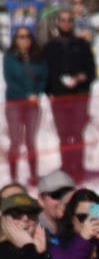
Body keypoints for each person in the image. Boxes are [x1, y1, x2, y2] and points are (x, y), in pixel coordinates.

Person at [43, 9, 95, 181]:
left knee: (78, 133)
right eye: (62, 20)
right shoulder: (49, 47)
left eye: (69, 20)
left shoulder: (82, 45)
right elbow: (44, 73)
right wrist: (48, 92)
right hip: (58, 98)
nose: (66, 23)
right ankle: (66, 167)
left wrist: (81, 78)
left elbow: (92, 71)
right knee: (64, 135)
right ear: (57, 23)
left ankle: (79, 167)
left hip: (79, 96)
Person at [4, 25, 47, 185]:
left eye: (27, 36)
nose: (24, 40)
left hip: (33, 104)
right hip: (15, 103)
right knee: (15, 141)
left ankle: (34, 175)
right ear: (16, 39)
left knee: (30, 140)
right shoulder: (10, 57)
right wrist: (26, 95)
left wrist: (38, 92)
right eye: (21, 37)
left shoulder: (38, 56)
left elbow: (44, 76)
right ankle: (14, 177)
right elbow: (10, 80)